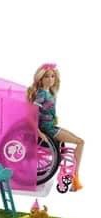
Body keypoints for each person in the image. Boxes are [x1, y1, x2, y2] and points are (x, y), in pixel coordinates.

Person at [27, 63, 84, 191]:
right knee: (80, 142)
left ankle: (75, 176)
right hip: (47, 129)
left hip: (51, 126)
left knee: (79, 142)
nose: (50, 79)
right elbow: (31, 115)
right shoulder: (42, 94)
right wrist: (39, 132)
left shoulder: (49, 93)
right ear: (41, 79)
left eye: (52, 76)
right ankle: (76, 176)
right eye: (47, 76)